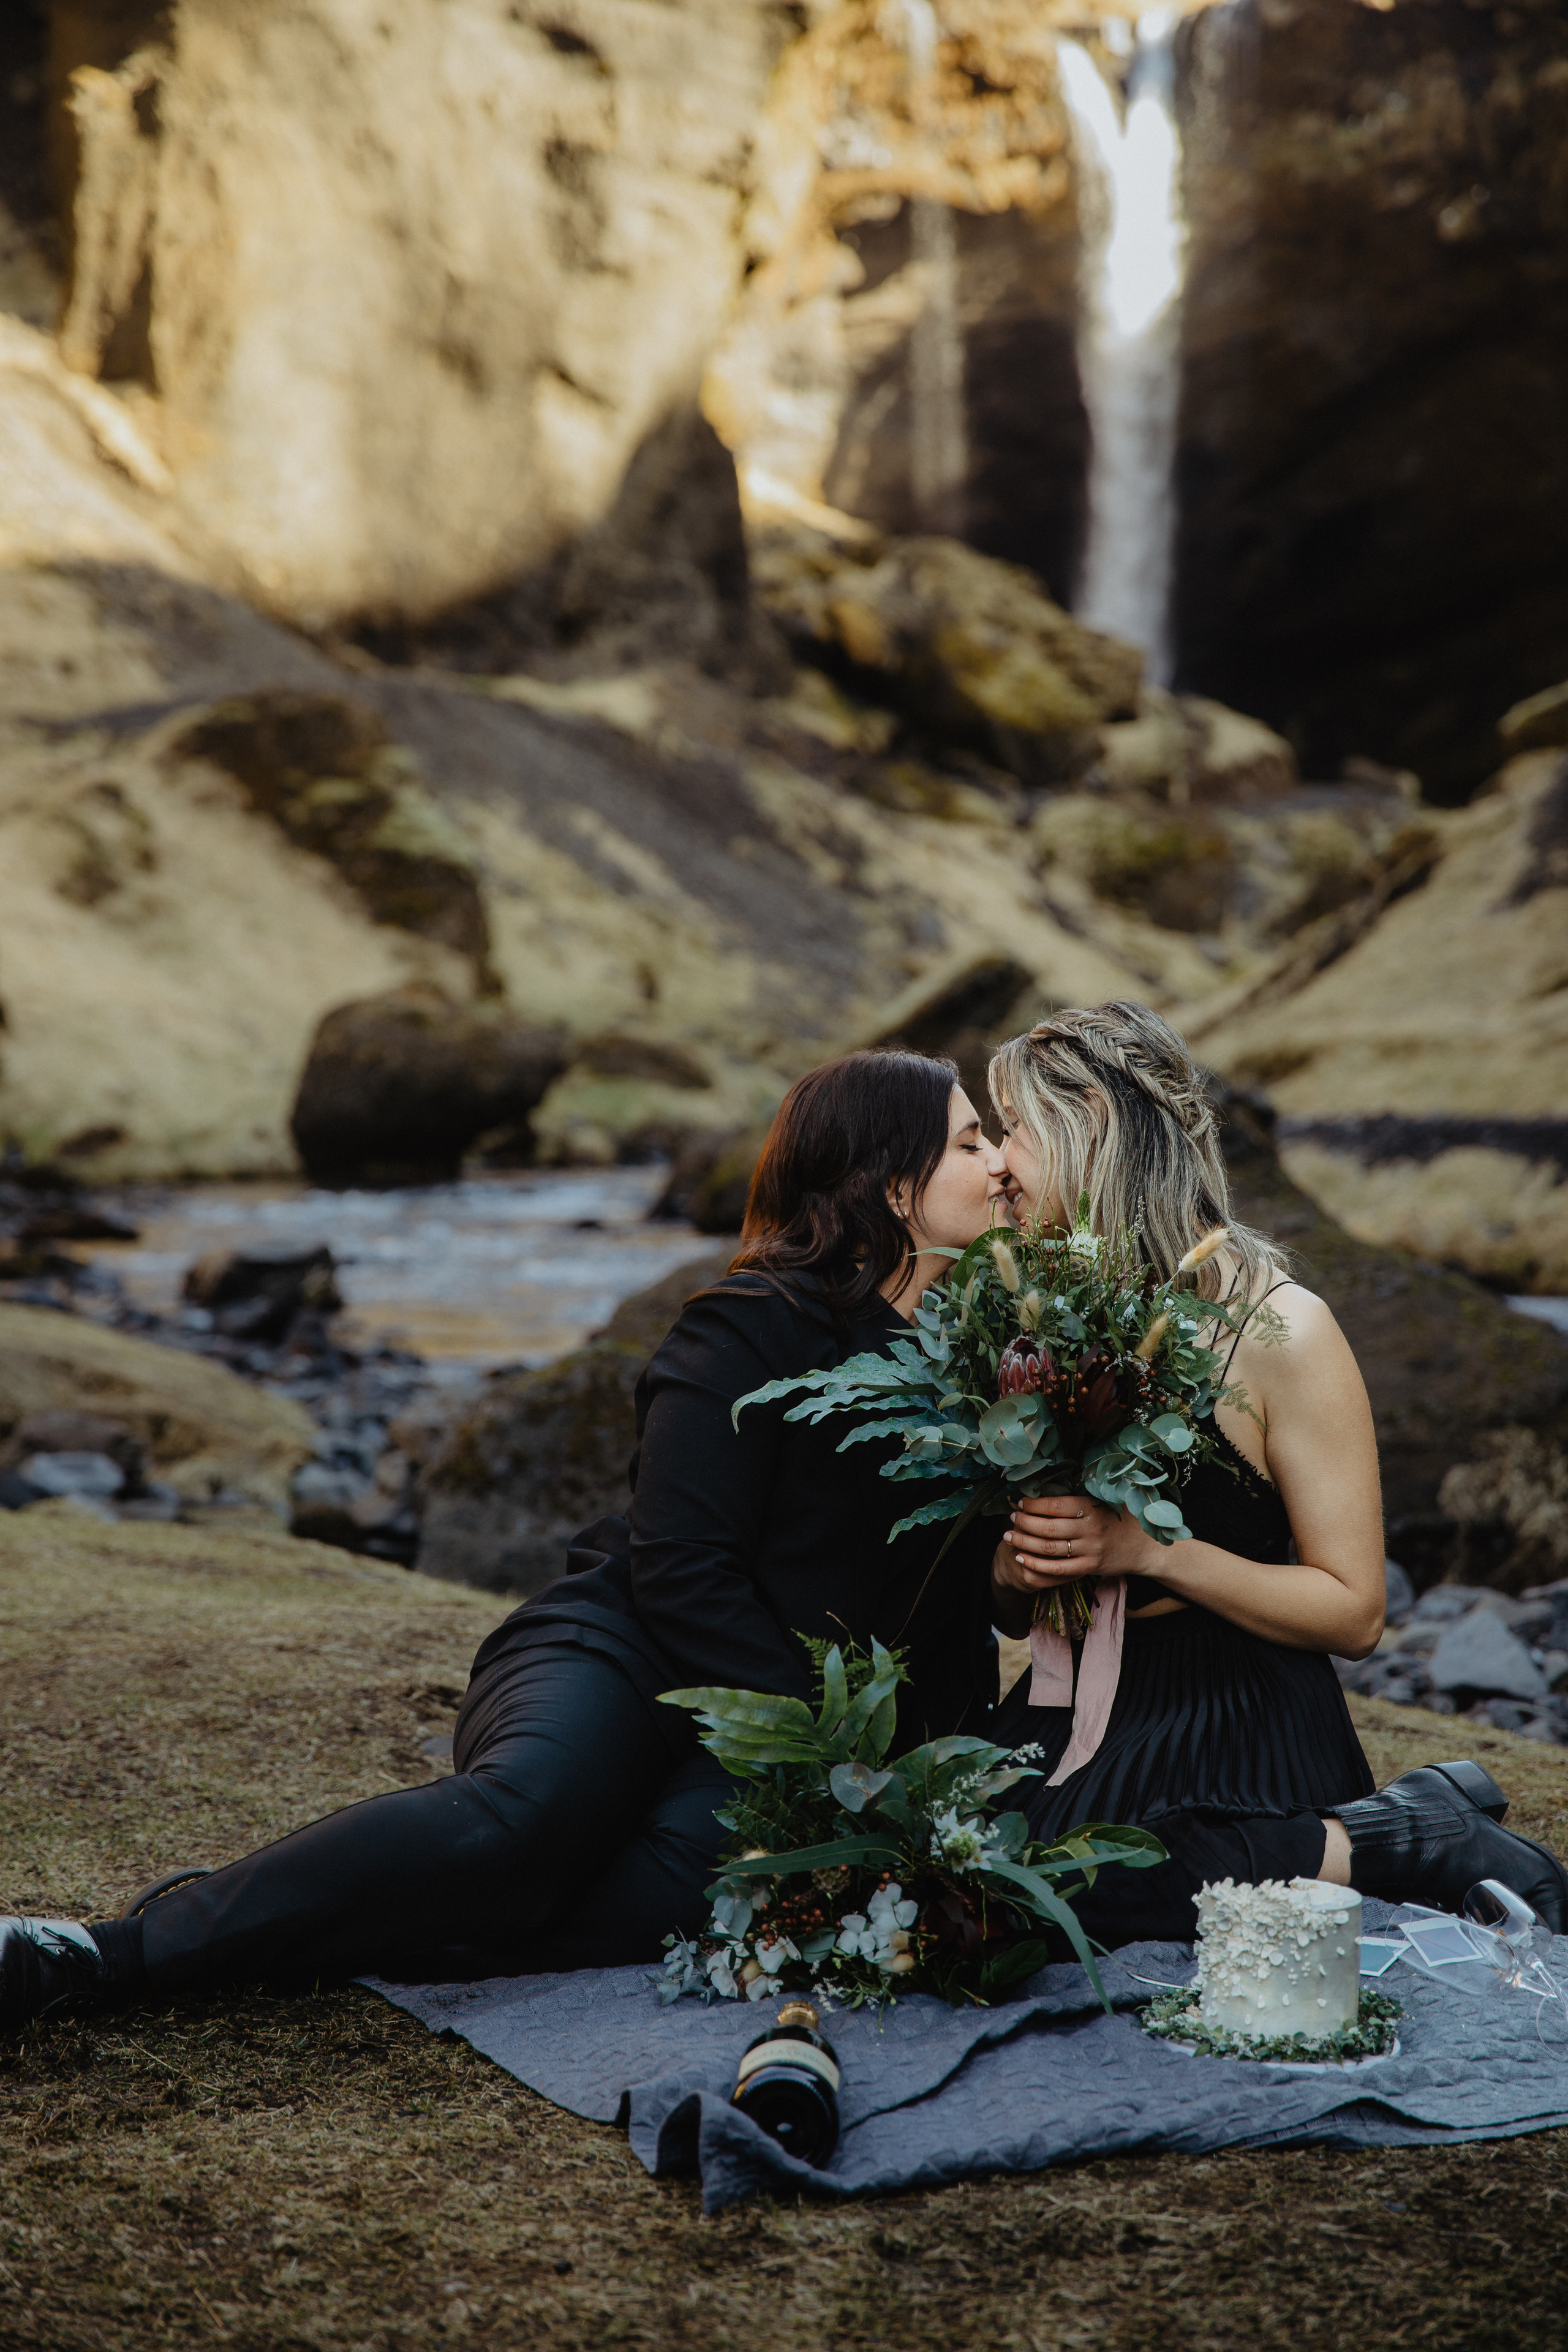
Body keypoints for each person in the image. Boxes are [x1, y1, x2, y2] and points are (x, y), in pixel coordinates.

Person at [1, 1052, 1010, 2029]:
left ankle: (305, 1927)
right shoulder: (751, 1324)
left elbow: (953, 1597)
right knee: (527, 1827)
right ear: (890, 1186)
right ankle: (105, 1955)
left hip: (781, 1738)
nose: (1001, 1161)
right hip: (630, 1655)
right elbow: (680, 1568)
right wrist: (818, 1745)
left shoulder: (978, 1374)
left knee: (667, 1904)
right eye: (971, 1142)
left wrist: (927, 1780)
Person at [986, 1001, 1568, 1945]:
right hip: (1091, 1689)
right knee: (960, 1878)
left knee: (1094, 1889)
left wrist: (1154, 1554)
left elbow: (1355, 1612)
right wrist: (1018, 1569)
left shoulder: (1286, 1328)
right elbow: (1015, 1613)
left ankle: (1410, 1838)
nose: (997, 1164)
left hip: (1237, 1704)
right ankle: (1404, 1818)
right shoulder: (1039, 1311)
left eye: (1013, 1130)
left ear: (1090, 1123)